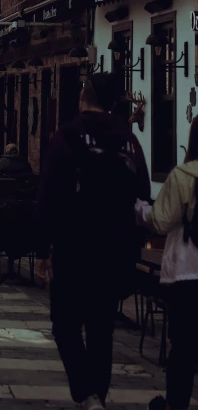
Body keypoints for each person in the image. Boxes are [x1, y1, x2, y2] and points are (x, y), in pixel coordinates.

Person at [36, 73, 150, 410]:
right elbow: (141, 197)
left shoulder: (68, 136)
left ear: (86, 96)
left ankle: (87, 394)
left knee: (64, 324)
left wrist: (44, 248)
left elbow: (50, 194)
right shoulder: (130, 142)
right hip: (115, 249)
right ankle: (96, 394)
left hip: (74, 246)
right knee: (101, 327)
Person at [136, 116, 198, 410]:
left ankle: (176, 405)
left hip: (187, 272)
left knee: (184, 346)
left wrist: (139, 209)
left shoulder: (183, 175)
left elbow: (160, 221)